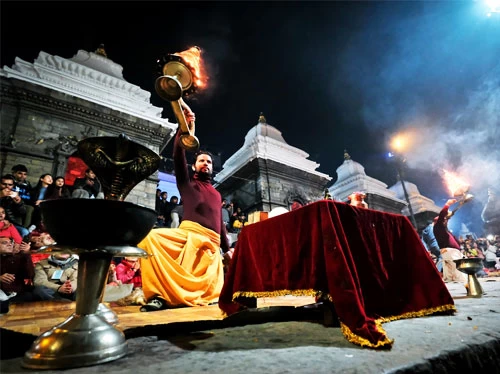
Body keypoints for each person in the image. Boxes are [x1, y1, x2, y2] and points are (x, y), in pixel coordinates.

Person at [139, 100, 230, 312]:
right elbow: (178, 154)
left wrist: (227, 249)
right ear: (194, 165)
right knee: (151, 238)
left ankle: (193, 296)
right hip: (187, 235)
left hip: (211, 243)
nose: (206, 164)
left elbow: (220, 223)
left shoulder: (217, 194)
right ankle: (158, 295)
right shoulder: (187, 183)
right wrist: (186, 128)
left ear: (212, 168)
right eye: (201, 161)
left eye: (209, 162)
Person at [433, 199, 467, 283]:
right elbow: (442, 216)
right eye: (445, 220)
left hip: (450, 252)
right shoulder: (438, 227)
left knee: (449, 275)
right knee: (459, 273)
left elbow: (444, 218)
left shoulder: (445, 231)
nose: (446, 221)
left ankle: (453, 292)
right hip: (450, 251)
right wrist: (447, 204)